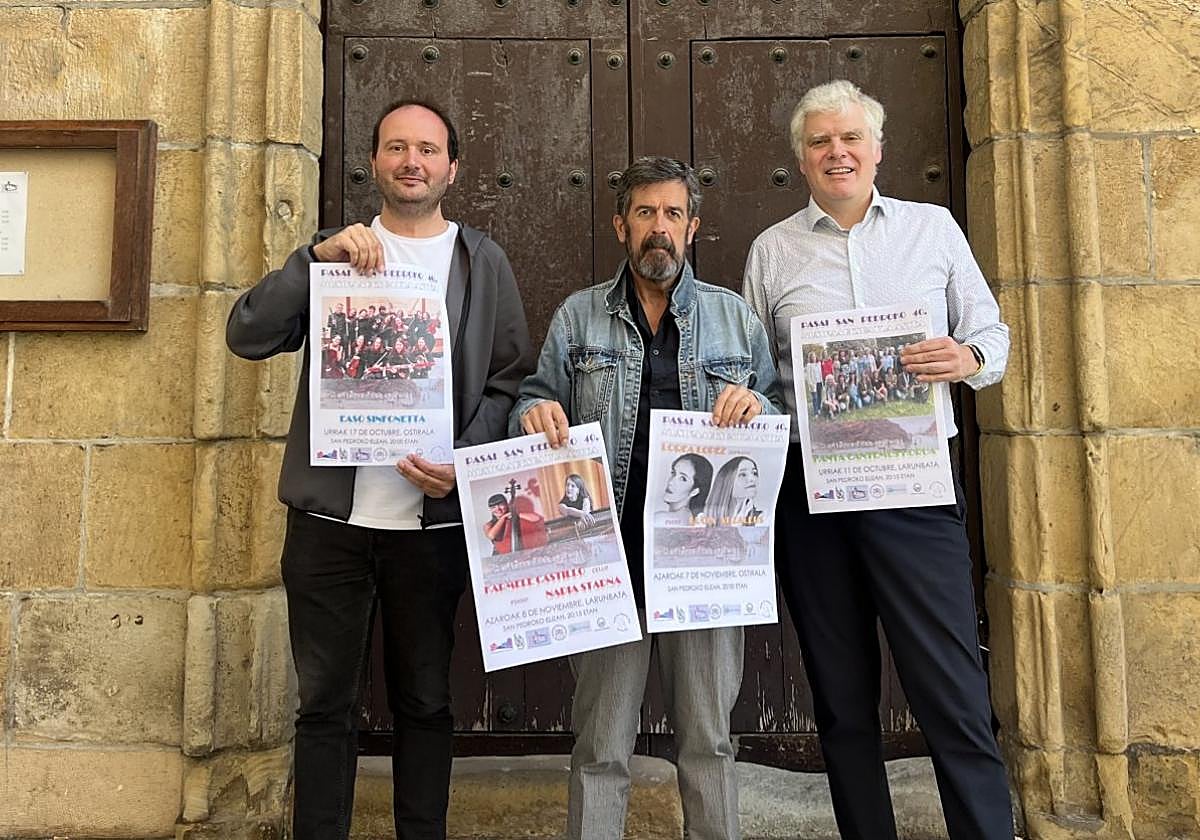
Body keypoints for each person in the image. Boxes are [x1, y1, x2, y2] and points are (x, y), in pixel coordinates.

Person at [225, 99, 533, 840]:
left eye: (427, 149)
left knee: (425, 701)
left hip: (429, 527)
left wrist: (462, 463)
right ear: (375, 162)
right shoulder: (336, 249)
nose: (412, 161)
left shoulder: (479, 261)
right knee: (323, 705)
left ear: (451, 167)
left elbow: (510, 380)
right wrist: (310, 262)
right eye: (397, 147)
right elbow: (246, 333)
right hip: (329, 524)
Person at [742, 79, 1013, 840]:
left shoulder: (933, 230)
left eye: (851, 137)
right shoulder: (772, 250)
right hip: (812, 498)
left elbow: (994, 338)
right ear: (802, 158)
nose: (838, 152)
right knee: (841, 695)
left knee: (952, 692)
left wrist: (964, 356)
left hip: (915, 491)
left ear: (878, 148)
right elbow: (757, 377)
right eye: (822, 141)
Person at [512, 156, 781, 840]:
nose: (657, 228)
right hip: (606, 565)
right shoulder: (579, 317)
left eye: (671, 214)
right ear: (620, 226)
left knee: (710, 744)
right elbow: (536, 394)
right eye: (643, 214)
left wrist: (757, 404)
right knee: (600, 749)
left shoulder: (735, 318)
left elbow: (779, 412)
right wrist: (534, 413)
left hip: (707, 566)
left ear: (692, 227)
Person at [656, 452, 713, 527]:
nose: (671, 482)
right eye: (673, 473)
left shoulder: (660, 518)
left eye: (683, 479)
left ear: (694, 491)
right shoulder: (692, 519)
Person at [704, 456, 763, 527]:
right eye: (743, 474)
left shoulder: (761, 518)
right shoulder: (701, 519)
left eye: (754, 473)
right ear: (726, 481)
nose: (752, 479)